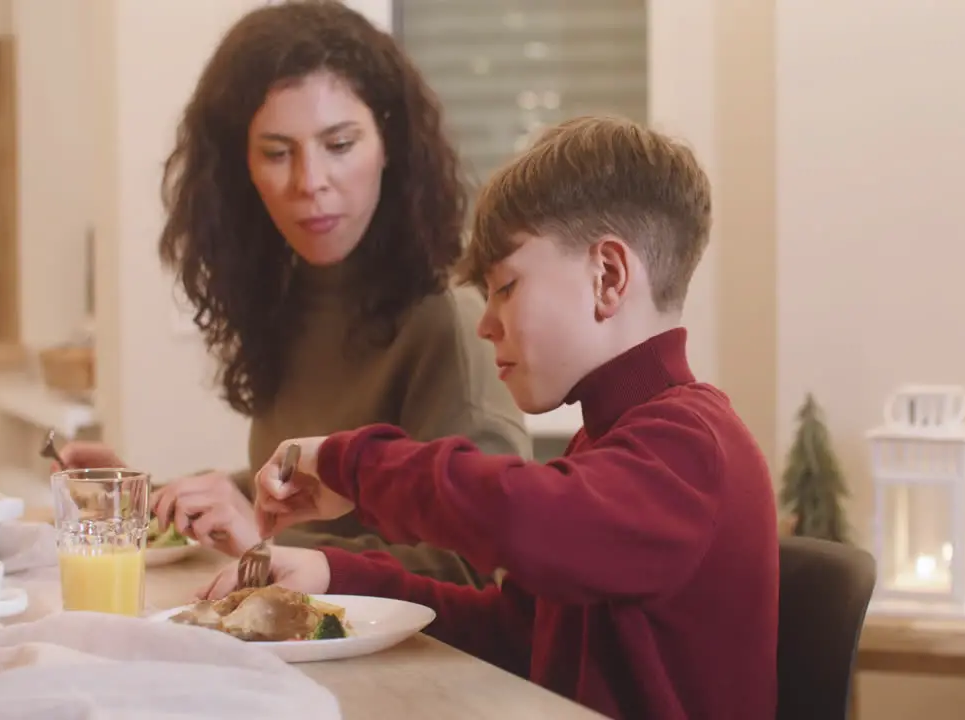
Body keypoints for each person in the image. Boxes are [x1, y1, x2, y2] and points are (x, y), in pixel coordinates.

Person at [202, 116, 780, 720]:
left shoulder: (693, 446)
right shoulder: (610, 442)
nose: (485, 323)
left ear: (607, 277)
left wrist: (353, 465)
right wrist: (332, 574)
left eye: (505, 287)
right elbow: (517, 636)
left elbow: (526, 515)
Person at [57, 0, 530, 588]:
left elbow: (483, 565)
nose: (310, 183)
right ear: (241, 171)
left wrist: (266, 547)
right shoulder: (288, 294)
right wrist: (151, 499)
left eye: (339, 144)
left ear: (390, 145)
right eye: (278, 153)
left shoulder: (449, 319)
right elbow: (289, 497)